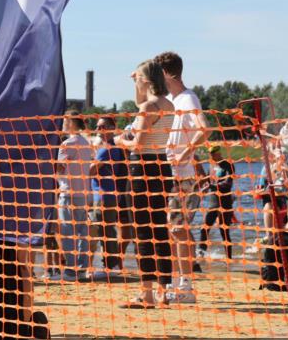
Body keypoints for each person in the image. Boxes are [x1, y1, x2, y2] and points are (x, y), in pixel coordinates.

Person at [115, 59, 176, 307]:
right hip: (162, 166)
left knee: (142, 231)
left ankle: (147, 294)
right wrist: (136, 83)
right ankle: (163, 292)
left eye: (138, 78)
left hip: (142, 169)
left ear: (147, 80)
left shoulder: (148, 107)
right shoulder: (168, 104)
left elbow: (138, 144)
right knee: (159, 229)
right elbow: (142, 102)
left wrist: (120, 141)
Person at [155, 51, 208, 301]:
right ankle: (176, 282)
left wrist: (185, 154)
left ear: (167, 74)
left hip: (183, 176)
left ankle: (186, 286)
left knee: (178, 228)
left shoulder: (188, 99)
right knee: (170, 229)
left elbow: (204, 129)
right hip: (167, 174)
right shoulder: (169, 100)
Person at [52, 113, 95, 280]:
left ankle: (71, 270)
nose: (63, 123)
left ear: (71, 122)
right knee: (82, 232)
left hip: (68, 191)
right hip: (83, 192)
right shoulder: (85, 142)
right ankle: (82, 269)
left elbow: (60, 168)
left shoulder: (67, 143)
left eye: (65, 121)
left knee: (68, 231)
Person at [88, 116, 133, 274]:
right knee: (106, 230)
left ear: (111, 128)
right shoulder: (110, 148)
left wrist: (88, 160)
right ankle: (111, 265)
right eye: (97, 126)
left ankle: (111, 265)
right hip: (108, 194)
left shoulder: (106, 149)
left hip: (104, 195)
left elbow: (90, 171)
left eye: (102, 127)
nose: (97, 130)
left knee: (105, 231)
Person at [199, 144, 235, 260]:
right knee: (204, 229)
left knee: (224, 231)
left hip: (225, 202)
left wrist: (211, 186)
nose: (211, 157)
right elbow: (208, 180)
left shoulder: (228, 165)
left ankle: (229, 259)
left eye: (213, 155)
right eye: (210, 155)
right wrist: (202, 186)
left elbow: (228, 183)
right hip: (213, 202)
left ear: (218, 153)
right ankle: (201, 255)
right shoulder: (211, 165)